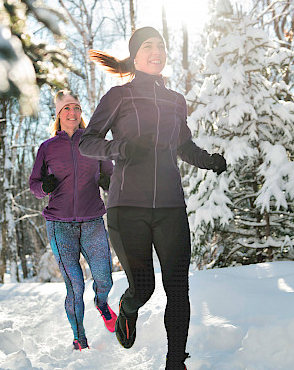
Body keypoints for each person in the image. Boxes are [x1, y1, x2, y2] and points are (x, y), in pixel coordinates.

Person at [79, 27, 227, 369]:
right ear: (135, 55)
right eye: (148, 46)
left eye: (161, 45)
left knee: (178, 288)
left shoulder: (176, 100)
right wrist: (122, 147)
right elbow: (88, 142)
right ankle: (128, 308)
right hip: (127, 207)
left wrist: (206, 160)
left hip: (170, 207)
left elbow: (183, 145)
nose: (156, 51)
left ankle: (176, 362)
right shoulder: (118, 97)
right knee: (143, 286)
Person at [29, 90, 117, 351]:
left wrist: (108, 182)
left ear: (81, 113)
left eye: (77, 108)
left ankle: (101, 304)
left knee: (105, 278)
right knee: (74, 286)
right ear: (58, 114)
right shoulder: (47, 148)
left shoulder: (95, 143)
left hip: (92, 221)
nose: (72, 113)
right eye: (67, 108)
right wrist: (44, 186)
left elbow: (113, 178)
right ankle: (79, 336)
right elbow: (34, 185)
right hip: (60, 225)